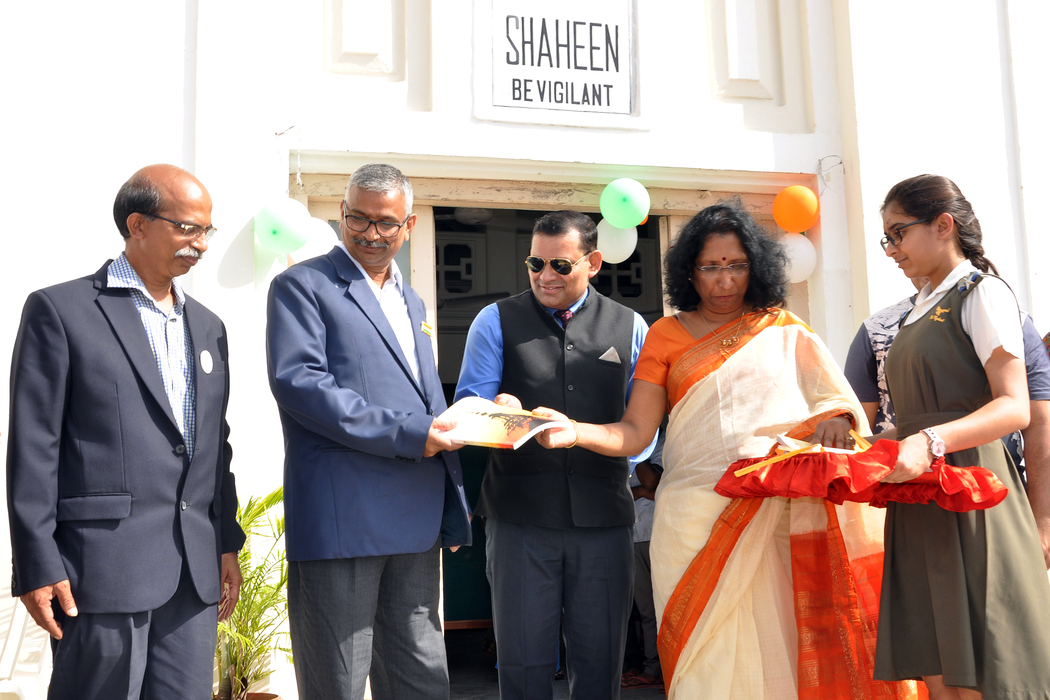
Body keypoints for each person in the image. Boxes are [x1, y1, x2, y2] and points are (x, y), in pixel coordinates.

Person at [536, 203, 921, 699]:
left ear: (755, 267)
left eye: (736, 265)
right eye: (710, 267)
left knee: (778, 650)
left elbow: (836, 402)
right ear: (688, 272)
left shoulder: (783, 329)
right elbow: (635, 432)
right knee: (705, 666)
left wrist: (835, 420)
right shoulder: (665, 335)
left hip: (771, 514)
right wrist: (575, 431)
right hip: (691, 519)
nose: (724, 280)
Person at [6, 164, 246, 700]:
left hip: (193, 576)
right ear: (137, 224)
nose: (201, 244)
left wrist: (226, 541)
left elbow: (215, 446)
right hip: (99, 571)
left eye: (207, 229)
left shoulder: (208, 326)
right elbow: (34, 447)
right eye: (187, 228)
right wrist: (37, 562)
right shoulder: (61, 311)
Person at [266, 163, 472, 700]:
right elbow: (301, 386)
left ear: (409, 226)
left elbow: (423, 398)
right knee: (338, 680)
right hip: (345, 519)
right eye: (358, 218)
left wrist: (464, 441)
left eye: (386, 223)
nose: (371, 234)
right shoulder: (302, 286)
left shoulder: (413, 300)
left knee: (420, 677)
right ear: (341, 213)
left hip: (416, 518)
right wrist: (411, 433)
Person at [454, 210, 652, 700]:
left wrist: (587, 443)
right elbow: (469, 411)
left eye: (560, 265)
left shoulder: (630, 327)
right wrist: (501, 414)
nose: (546, 276)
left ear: (594, 263)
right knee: (523, 665)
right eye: (535, 263)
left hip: (604, 521)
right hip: (519, 520)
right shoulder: (494, 320)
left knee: (600, 664)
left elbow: (643, 434)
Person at [872, 174, 1050, 700]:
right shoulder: (918, 307)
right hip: (921, 498)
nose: (891, 250)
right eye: (886, 238)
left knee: (988, 671)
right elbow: (919, 415)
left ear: (943, 225)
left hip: (972, 491)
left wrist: (929, 441)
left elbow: (1015, 407)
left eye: (898, 233)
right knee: (938, 666)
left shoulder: (982, 292)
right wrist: (864, 447)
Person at [620, 436, 663, 691]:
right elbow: (618, 494)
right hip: (632, 536)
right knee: (646, 610)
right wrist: (642, 493)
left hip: (660, 534)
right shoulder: (618, 444)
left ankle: (665, 668)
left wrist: (640, 448)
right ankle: (652, 668)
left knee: (665, 605)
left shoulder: (661, 443)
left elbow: (653, 482)